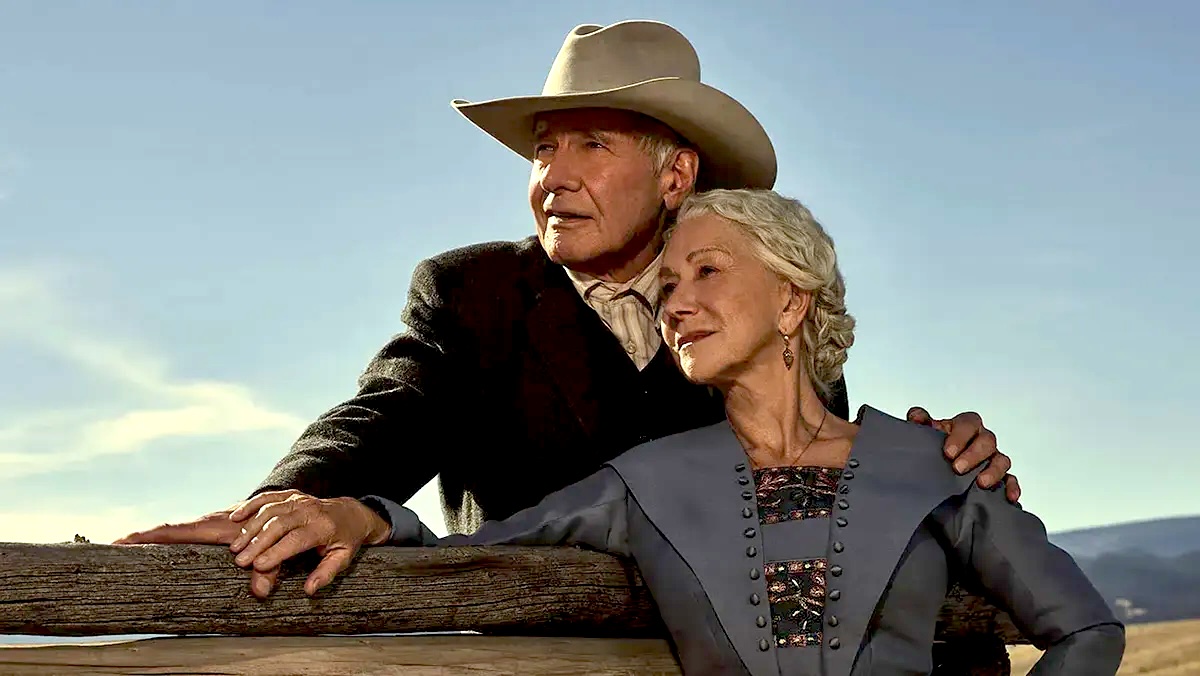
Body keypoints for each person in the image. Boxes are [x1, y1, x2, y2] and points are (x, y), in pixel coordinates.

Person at [115, 20, 1020, 601]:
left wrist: (933, 470)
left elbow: (812, 478)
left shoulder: (758, 300)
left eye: (592, 144)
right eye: (544, 150)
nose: (554, 176)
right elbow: (386, 416)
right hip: (534, 656)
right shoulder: (474, 293)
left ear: (676, 175)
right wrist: (287, 501)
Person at [380, 188, 1125, 676]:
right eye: (668, 287)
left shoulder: (935, 465)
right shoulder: (644, 484)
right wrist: (372, 517)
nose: (675, 304)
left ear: (791, 301)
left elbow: (1087, 630)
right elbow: (464, 556)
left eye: (707, 271)